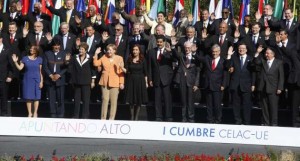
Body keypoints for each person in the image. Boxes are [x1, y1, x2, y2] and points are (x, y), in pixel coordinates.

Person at [93, 44, 125, 120]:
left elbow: (121, 71)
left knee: (113, 102)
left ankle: (111, 119)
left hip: (115, 82)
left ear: (114, 51)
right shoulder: (104, 57)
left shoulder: (119, 58)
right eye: (108, 50)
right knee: (105, 99)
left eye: (110, 50)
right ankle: (103, 118)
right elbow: (95, 63)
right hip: (104, 81)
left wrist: (121, 82)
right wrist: (96, 54)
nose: (108, 51)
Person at [255, 47, 284, 126]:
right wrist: (257, 53)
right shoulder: (263, 61)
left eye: (268, 53)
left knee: (273, 107)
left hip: (273, 88)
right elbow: (256, 62)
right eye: (265, 53)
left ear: (273, 54)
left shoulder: (279, 62)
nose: (266, 55)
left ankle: (274, 123)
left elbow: (281, 76)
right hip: (263, 87)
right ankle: (266, 122)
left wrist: (280, 88)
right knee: (264, 108)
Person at [147, 35, 174, 121]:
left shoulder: (169, 51)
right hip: (156, 79)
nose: (159, 43)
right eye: (158, 42)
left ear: (164, 42)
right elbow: (150, 67)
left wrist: (171, 51)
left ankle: (168, 116)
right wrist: (150, 79)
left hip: (166, 79)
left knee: (167, 99)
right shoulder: (151, 52)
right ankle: (158, 117)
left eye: (161, 42)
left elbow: (176, 59)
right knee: (157, 99)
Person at [12, 46, 43, 118]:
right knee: (28, 97)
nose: (31, 49)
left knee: (36, 97)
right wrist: (15, 62)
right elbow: (20, 68)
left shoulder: (39, 59)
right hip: (27, 80)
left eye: (33, 49)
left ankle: (35, 113)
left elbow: (40, 71)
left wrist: (41, 81)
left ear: (36, 51)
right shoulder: (25, 58)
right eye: (30, 48)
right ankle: (29, 113)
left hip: (37, 80)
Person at [173, 42, 200, 123]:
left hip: (191, 82)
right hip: (182, 81)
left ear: (192, 47)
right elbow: (175, 54)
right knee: (183, 101)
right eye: (186, 48)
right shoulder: (181, 56)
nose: (187, 49)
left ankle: (191, 118)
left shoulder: (196, 57)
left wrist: (196, 84)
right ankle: (184, 119)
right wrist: (173, 46)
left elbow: (198, 72)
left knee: (190, 102)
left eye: (189, 48)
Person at [43, 39, 70, 118]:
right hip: (50, 79)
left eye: (58, 45)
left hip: (60, 79)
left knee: (60, 97)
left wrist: (59, 75)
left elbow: (66, 67)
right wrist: (50, 75)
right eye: (55, 45)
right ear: (52, 46)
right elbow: (45, 66)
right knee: (51, 98)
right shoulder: (47, 54)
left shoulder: (64, 54)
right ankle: (52, 113)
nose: (56, 47)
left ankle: (60, 113)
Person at [68, 43, 96, 119]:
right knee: (76, 100)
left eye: (82, 49)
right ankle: (75, 115)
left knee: (86, 100)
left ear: (86, 50)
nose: (80, 50)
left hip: (86, 82)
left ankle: (85, 116)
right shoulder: (74, 57)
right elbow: (70, 67)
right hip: (76, 82)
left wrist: (93, 81)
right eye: (80, 49)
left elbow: (93, 70)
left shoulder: (90, 58)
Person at [124, 44, 148, 120]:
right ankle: (131, 117)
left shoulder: (143, 59)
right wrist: (121, 67)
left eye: (136, 50)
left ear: (139, 51)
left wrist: (146, 82)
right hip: (131, 80)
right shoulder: (129, 59)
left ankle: (136, 117)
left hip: (140, 80)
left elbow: (146, 72)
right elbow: (127, 71)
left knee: (138, 100)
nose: (134, 51)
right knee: (131, 100)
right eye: (133, 50)